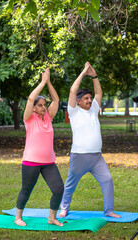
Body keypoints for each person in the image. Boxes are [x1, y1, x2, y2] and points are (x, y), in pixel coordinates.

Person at [59, 62, 121, 218]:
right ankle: (64, 208)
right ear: (78, 101)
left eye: (89, 98)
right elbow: (73, 90)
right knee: (70, 184)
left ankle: (109, 210)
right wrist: (83, 72)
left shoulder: (93, 110)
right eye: (86, 98)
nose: (89, 100)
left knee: (107, 179)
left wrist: (94, 76)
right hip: (79, 156)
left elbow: (99, 94)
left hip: (96, 157)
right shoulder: (73, 111)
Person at [15, 68, 64, 227]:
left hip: (49, 162)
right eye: (40, 105)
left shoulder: (48, 117)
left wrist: (49, 82)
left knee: (58, 188)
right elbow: (30, 99)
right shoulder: (29, 118)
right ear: (34, 107)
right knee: (26, 190)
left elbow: (56, 100)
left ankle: (52, 217)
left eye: (44, 105)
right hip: (31, 162)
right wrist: (42, 82)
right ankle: (18, 217)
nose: (44, 107)